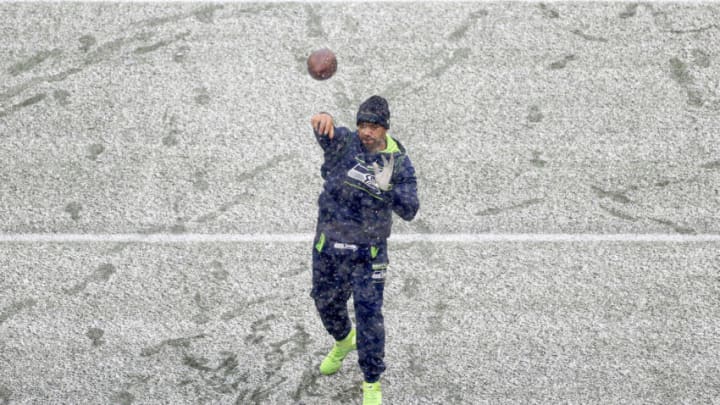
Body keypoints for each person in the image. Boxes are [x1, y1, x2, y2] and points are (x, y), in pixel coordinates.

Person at [309, 95, 419, 405]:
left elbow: (410, 209)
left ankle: (371, 381)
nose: (366, 132)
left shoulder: (399, 162)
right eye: (362, 125)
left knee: (369, 319)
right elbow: (322, 129)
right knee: (325, 304)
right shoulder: (345, 143)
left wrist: (389, 189)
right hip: (329, 246)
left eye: (373, 126)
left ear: (385, 128)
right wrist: (323, 116)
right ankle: (344, 341)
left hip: (367, 255)